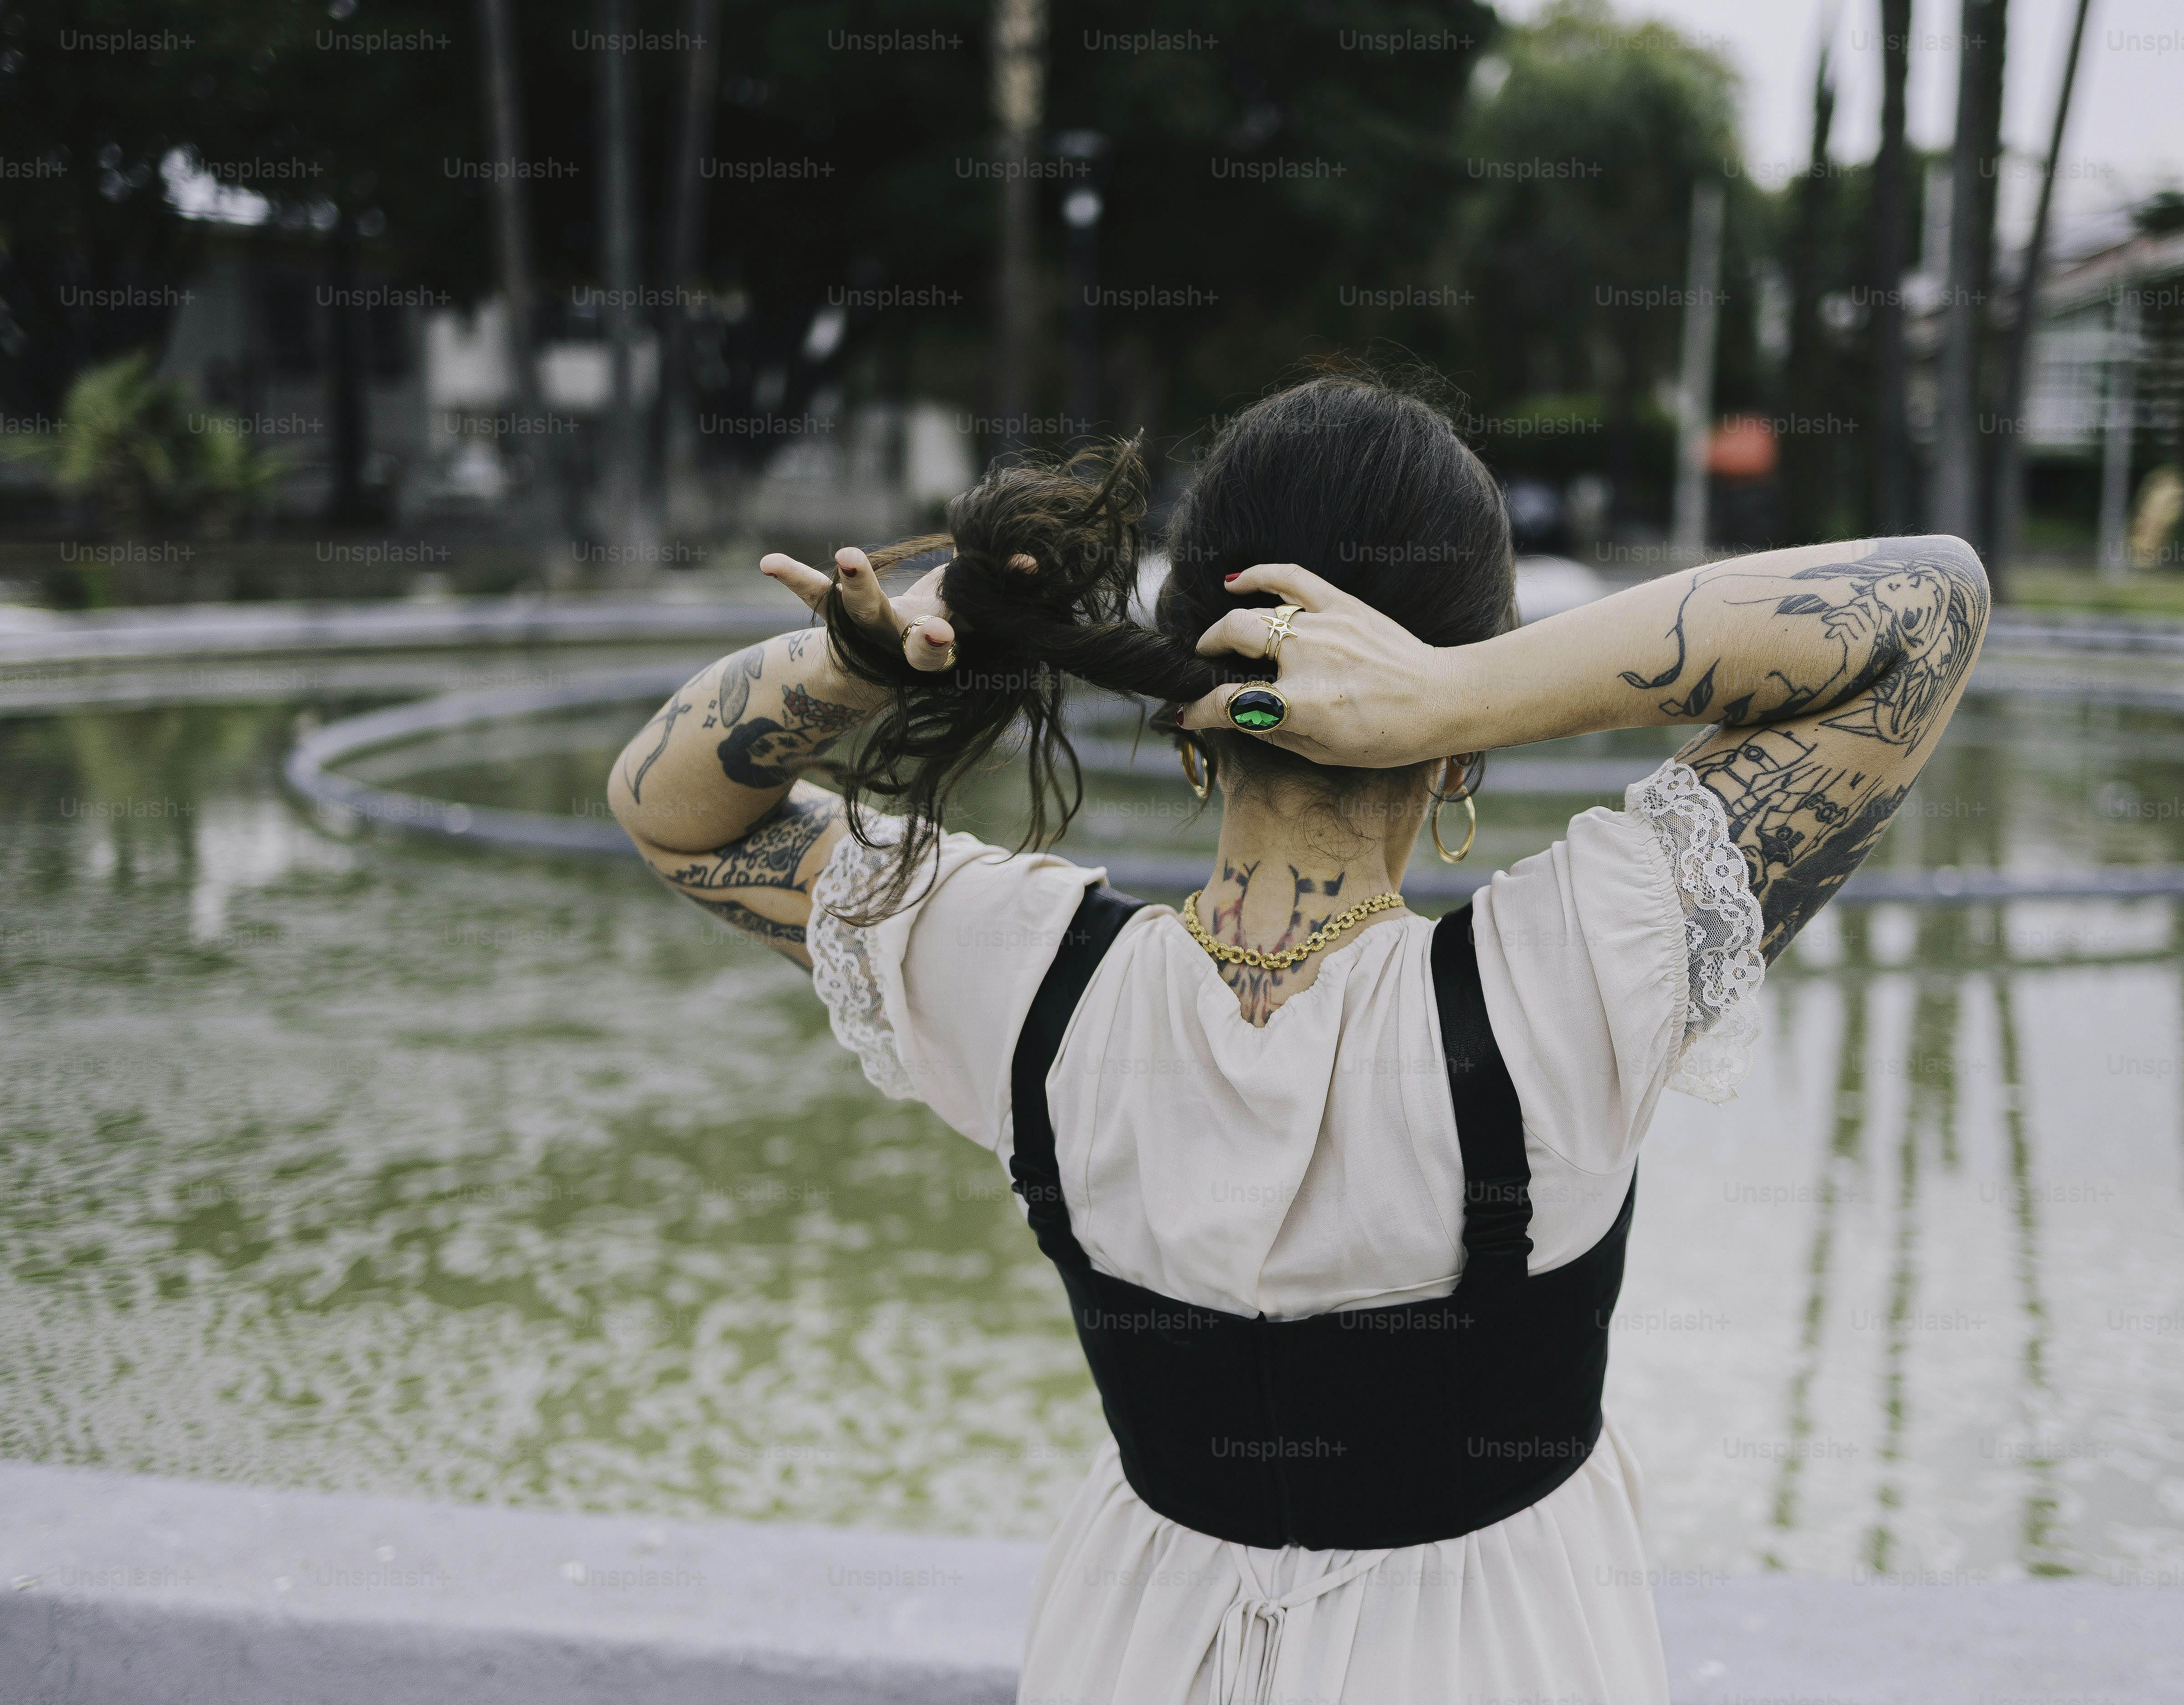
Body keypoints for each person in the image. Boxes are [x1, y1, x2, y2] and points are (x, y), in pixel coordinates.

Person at [608, 376, 1987, 1704]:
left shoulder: (1023, 983)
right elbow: (1924, 610)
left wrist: (857, 662)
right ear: (1454, 751)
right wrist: (1460, 694)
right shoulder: (1575, 982)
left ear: (1187, 733)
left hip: (1133, 1655)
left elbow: (671, 807)